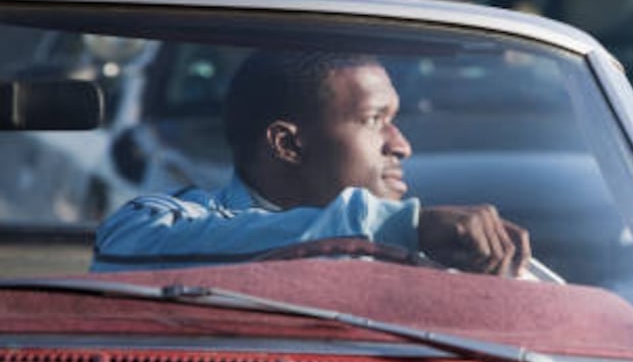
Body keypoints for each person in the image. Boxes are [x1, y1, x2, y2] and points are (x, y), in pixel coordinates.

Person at [92, 50, 529, 276]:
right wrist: (398, 228)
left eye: (394, 121)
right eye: (375, 120)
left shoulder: (441, 254)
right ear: (287, 144)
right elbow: (124, 249)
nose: (402, 146)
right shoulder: (167, 223)